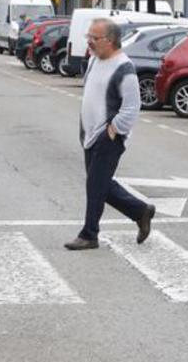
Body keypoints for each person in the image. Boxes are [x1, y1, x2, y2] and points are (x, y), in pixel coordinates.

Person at [65, 18, 156, 251]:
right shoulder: (95, 60)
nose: (90, 42)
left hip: (108, 137)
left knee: (96, 186)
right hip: (89, 134)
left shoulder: (124, 68)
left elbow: (132, 106)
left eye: (95, 38)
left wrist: (113, 131)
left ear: (111, 40)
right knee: (100, 184)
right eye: (89, 37)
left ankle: (89, 234)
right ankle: (140, 211)